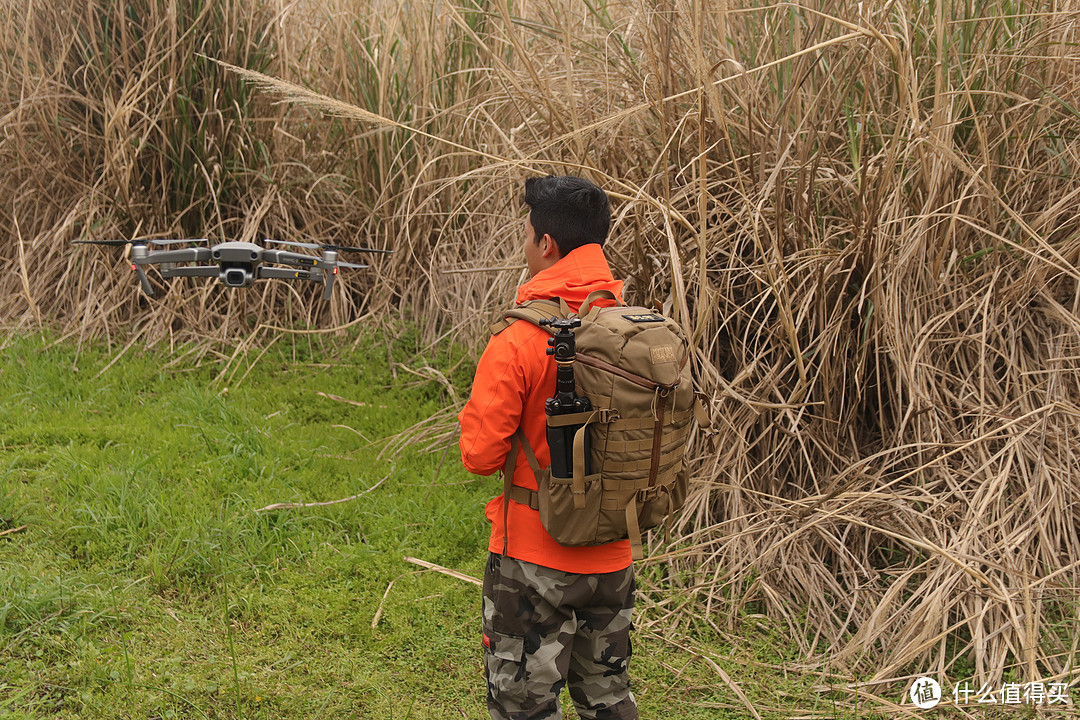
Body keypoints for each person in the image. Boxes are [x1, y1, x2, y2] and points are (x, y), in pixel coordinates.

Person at [459, 175, 637, 720]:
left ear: (548, 246)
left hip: (533, 561)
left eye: (527, 234)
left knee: (522, 707)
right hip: (614, 554)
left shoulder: (519, 339)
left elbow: (479, 455)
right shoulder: (634, 330)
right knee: (609, 697)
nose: (525, 244)